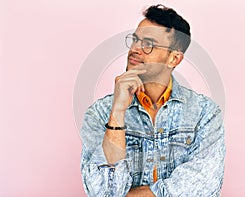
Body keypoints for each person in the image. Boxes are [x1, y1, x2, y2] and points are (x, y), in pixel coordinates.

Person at [80, 4, 225, 197]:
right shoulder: (99, 114)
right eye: (135, 40)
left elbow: (203, 185)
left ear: (174, 59)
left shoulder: (204, 113)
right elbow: (103, 191)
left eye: (148, 44)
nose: (135, 49)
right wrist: (118, 112)